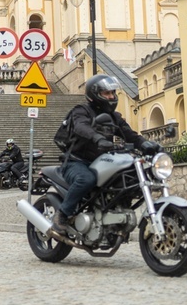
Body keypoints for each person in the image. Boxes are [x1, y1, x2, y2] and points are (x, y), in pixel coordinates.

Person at [51, 74, 158, 237]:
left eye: (113, 93)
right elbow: (81, 127)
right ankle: (62, 215)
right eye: (106, 93)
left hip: (102, 162)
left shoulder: (115, 117)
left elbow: (129, 134)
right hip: (77, 162)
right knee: (86, 179)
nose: (111, 97)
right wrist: (97, 138)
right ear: (94, 95)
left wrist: (145, 144)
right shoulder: (81, 111)